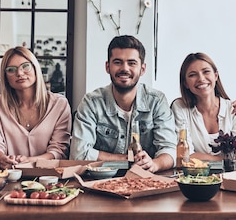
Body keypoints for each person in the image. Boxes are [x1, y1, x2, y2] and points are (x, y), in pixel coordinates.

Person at [70, 35, 176, 172]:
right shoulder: (91, 103)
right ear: (108, 67)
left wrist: (154, 164)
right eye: (118, 62)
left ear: (142, 69)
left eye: (132, 63)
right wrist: (126, 159)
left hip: (147, 179)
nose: (124, 68)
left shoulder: (156, 101)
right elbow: (78, 154)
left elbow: (170, 150)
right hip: (101, 181)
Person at [0, 46, 72, 169]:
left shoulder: (59, 104)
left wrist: (30, 161)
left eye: (25, 66)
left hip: (49, 176)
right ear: (5, 76)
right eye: (11, 70)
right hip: (9, 176)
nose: (20, 73)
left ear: (35, 68)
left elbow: (58, 151)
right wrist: (3, 159)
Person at [170, 53, 236, 163]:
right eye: (193, 75)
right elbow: (185, 154)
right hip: (194, 177)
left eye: (206, 72)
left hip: (230, 176)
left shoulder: (233, 109)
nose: (201, 79)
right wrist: (224, 159)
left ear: (216, 75)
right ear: (186, 84)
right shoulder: (180, 107)